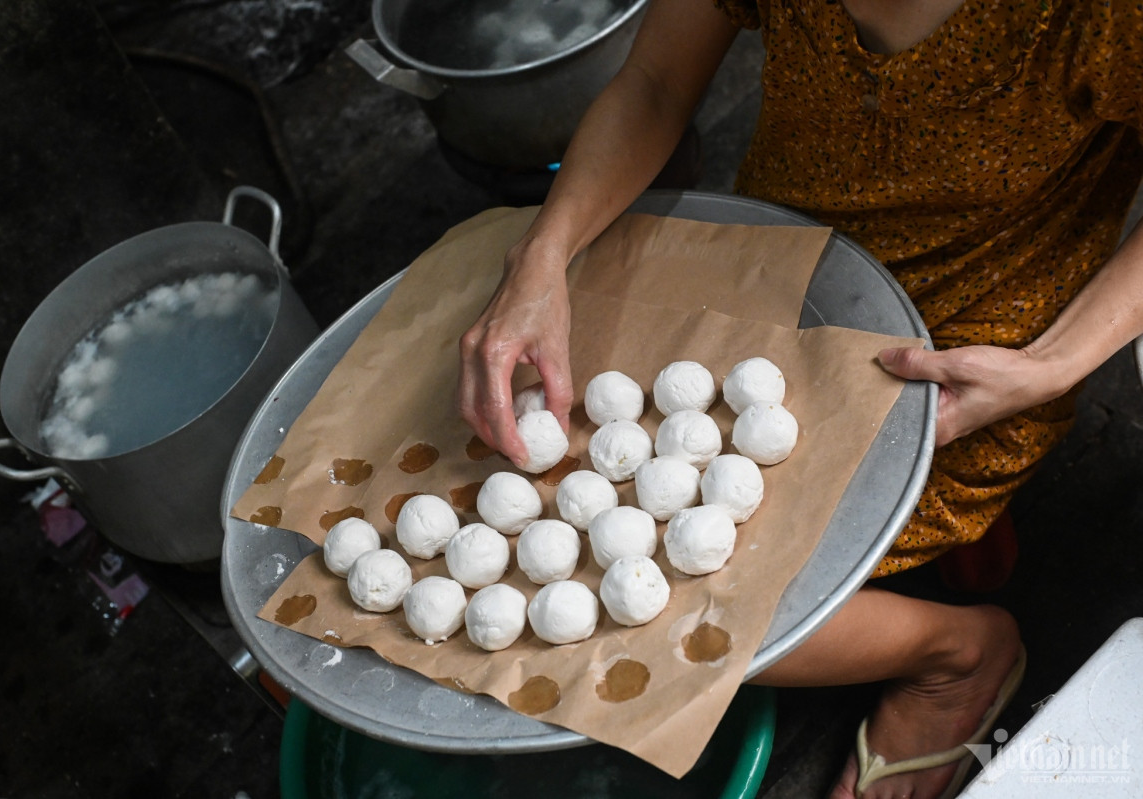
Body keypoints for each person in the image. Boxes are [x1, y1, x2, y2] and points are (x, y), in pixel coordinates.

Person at [456, 0, 1143, 795]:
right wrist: (542, 255)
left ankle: (957, 655)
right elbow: (651, 84)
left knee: (672, 611)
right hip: (769, 263)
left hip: (966, 341)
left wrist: (1055, 364)